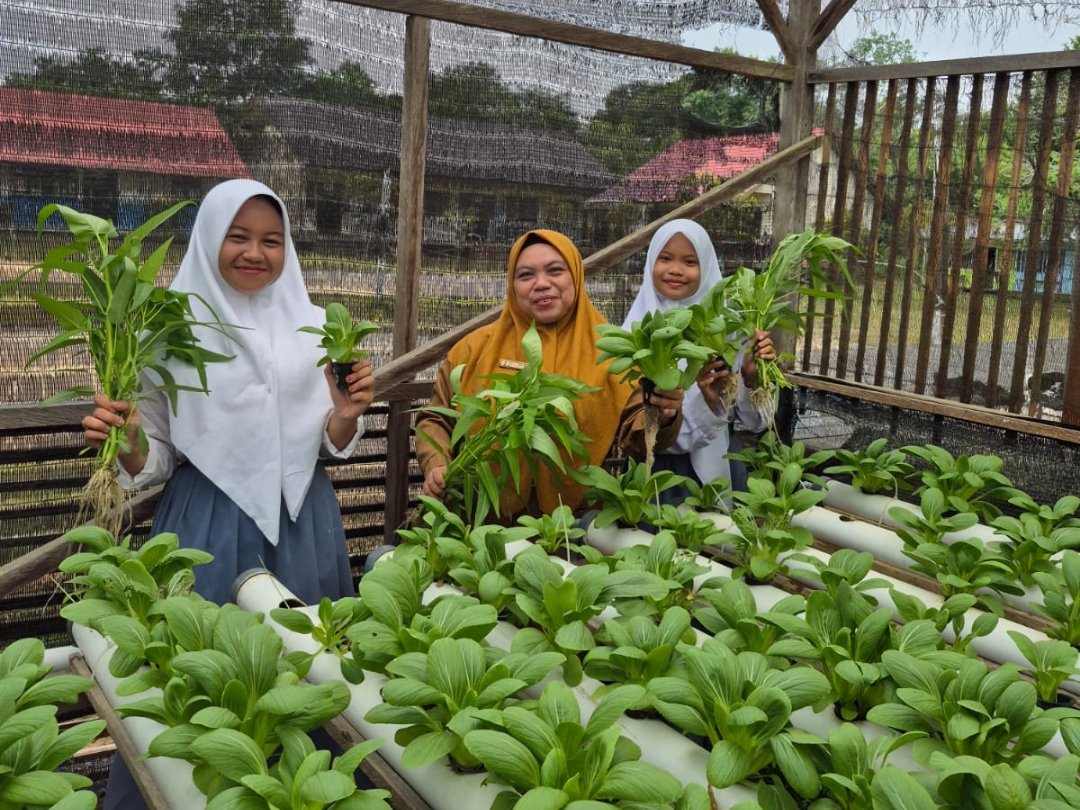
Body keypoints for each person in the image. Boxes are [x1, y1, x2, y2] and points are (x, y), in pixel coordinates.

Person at [82, 179, 375, 606]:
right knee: (202, 639)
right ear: (208, 237)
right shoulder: (166, 332)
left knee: (308, 642)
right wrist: (128, 441)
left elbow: (326, 443)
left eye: (271, 241)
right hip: (207, 524)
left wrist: (346, 416)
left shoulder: (318, 328)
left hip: (302, 520)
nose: (254, 253)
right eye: (237, 237)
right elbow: (158, 456)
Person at [415, 229, 683, 519]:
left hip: (574, 525)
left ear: (576, 276)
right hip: (480, 521)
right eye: (526, 275)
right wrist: (436, 463)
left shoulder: (612, 352)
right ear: (512, 285)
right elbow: (435, 419)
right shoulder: (473, 349)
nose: (541, 283)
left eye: (555, 271)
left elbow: (639, 437)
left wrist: (663, 415)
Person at [623, 218, 775, 498]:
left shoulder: (728, 328)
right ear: (650, 262)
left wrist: (751, 379)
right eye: (665, 258)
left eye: (690, 262)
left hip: (719, 461)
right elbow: (630, 427)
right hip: (654, 469)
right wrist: (694, 409)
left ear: (706, 266)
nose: (675, 269)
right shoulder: (632, 333)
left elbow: (757, 423)